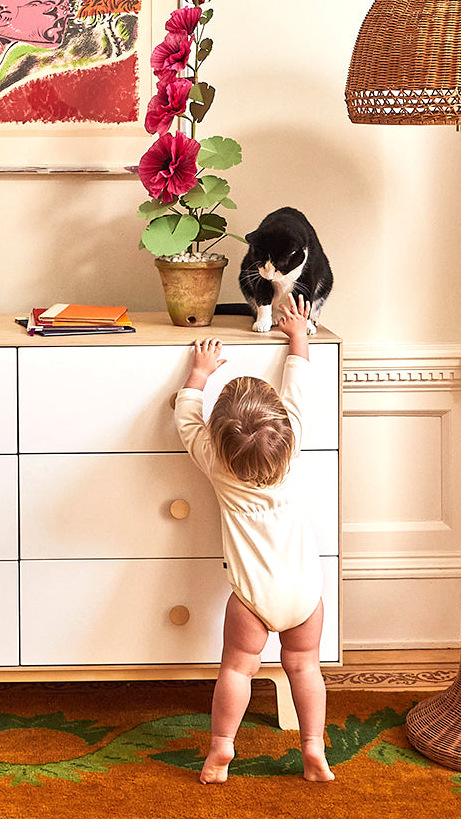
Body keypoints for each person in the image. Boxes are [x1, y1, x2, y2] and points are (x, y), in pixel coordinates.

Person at [173, 293, 334, 784]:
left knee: (238, 671)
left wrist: (200, 374)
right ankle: (312, 748)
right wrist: (299, 335)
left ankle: (222, 747)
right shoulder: (294, 446)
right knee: (305, 669)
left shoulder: (218, 464)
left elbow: (186, 418)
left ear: (221, 437)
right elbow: (299, 385)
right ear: (283, 430)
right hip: (305, 594)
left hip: (251, 600)